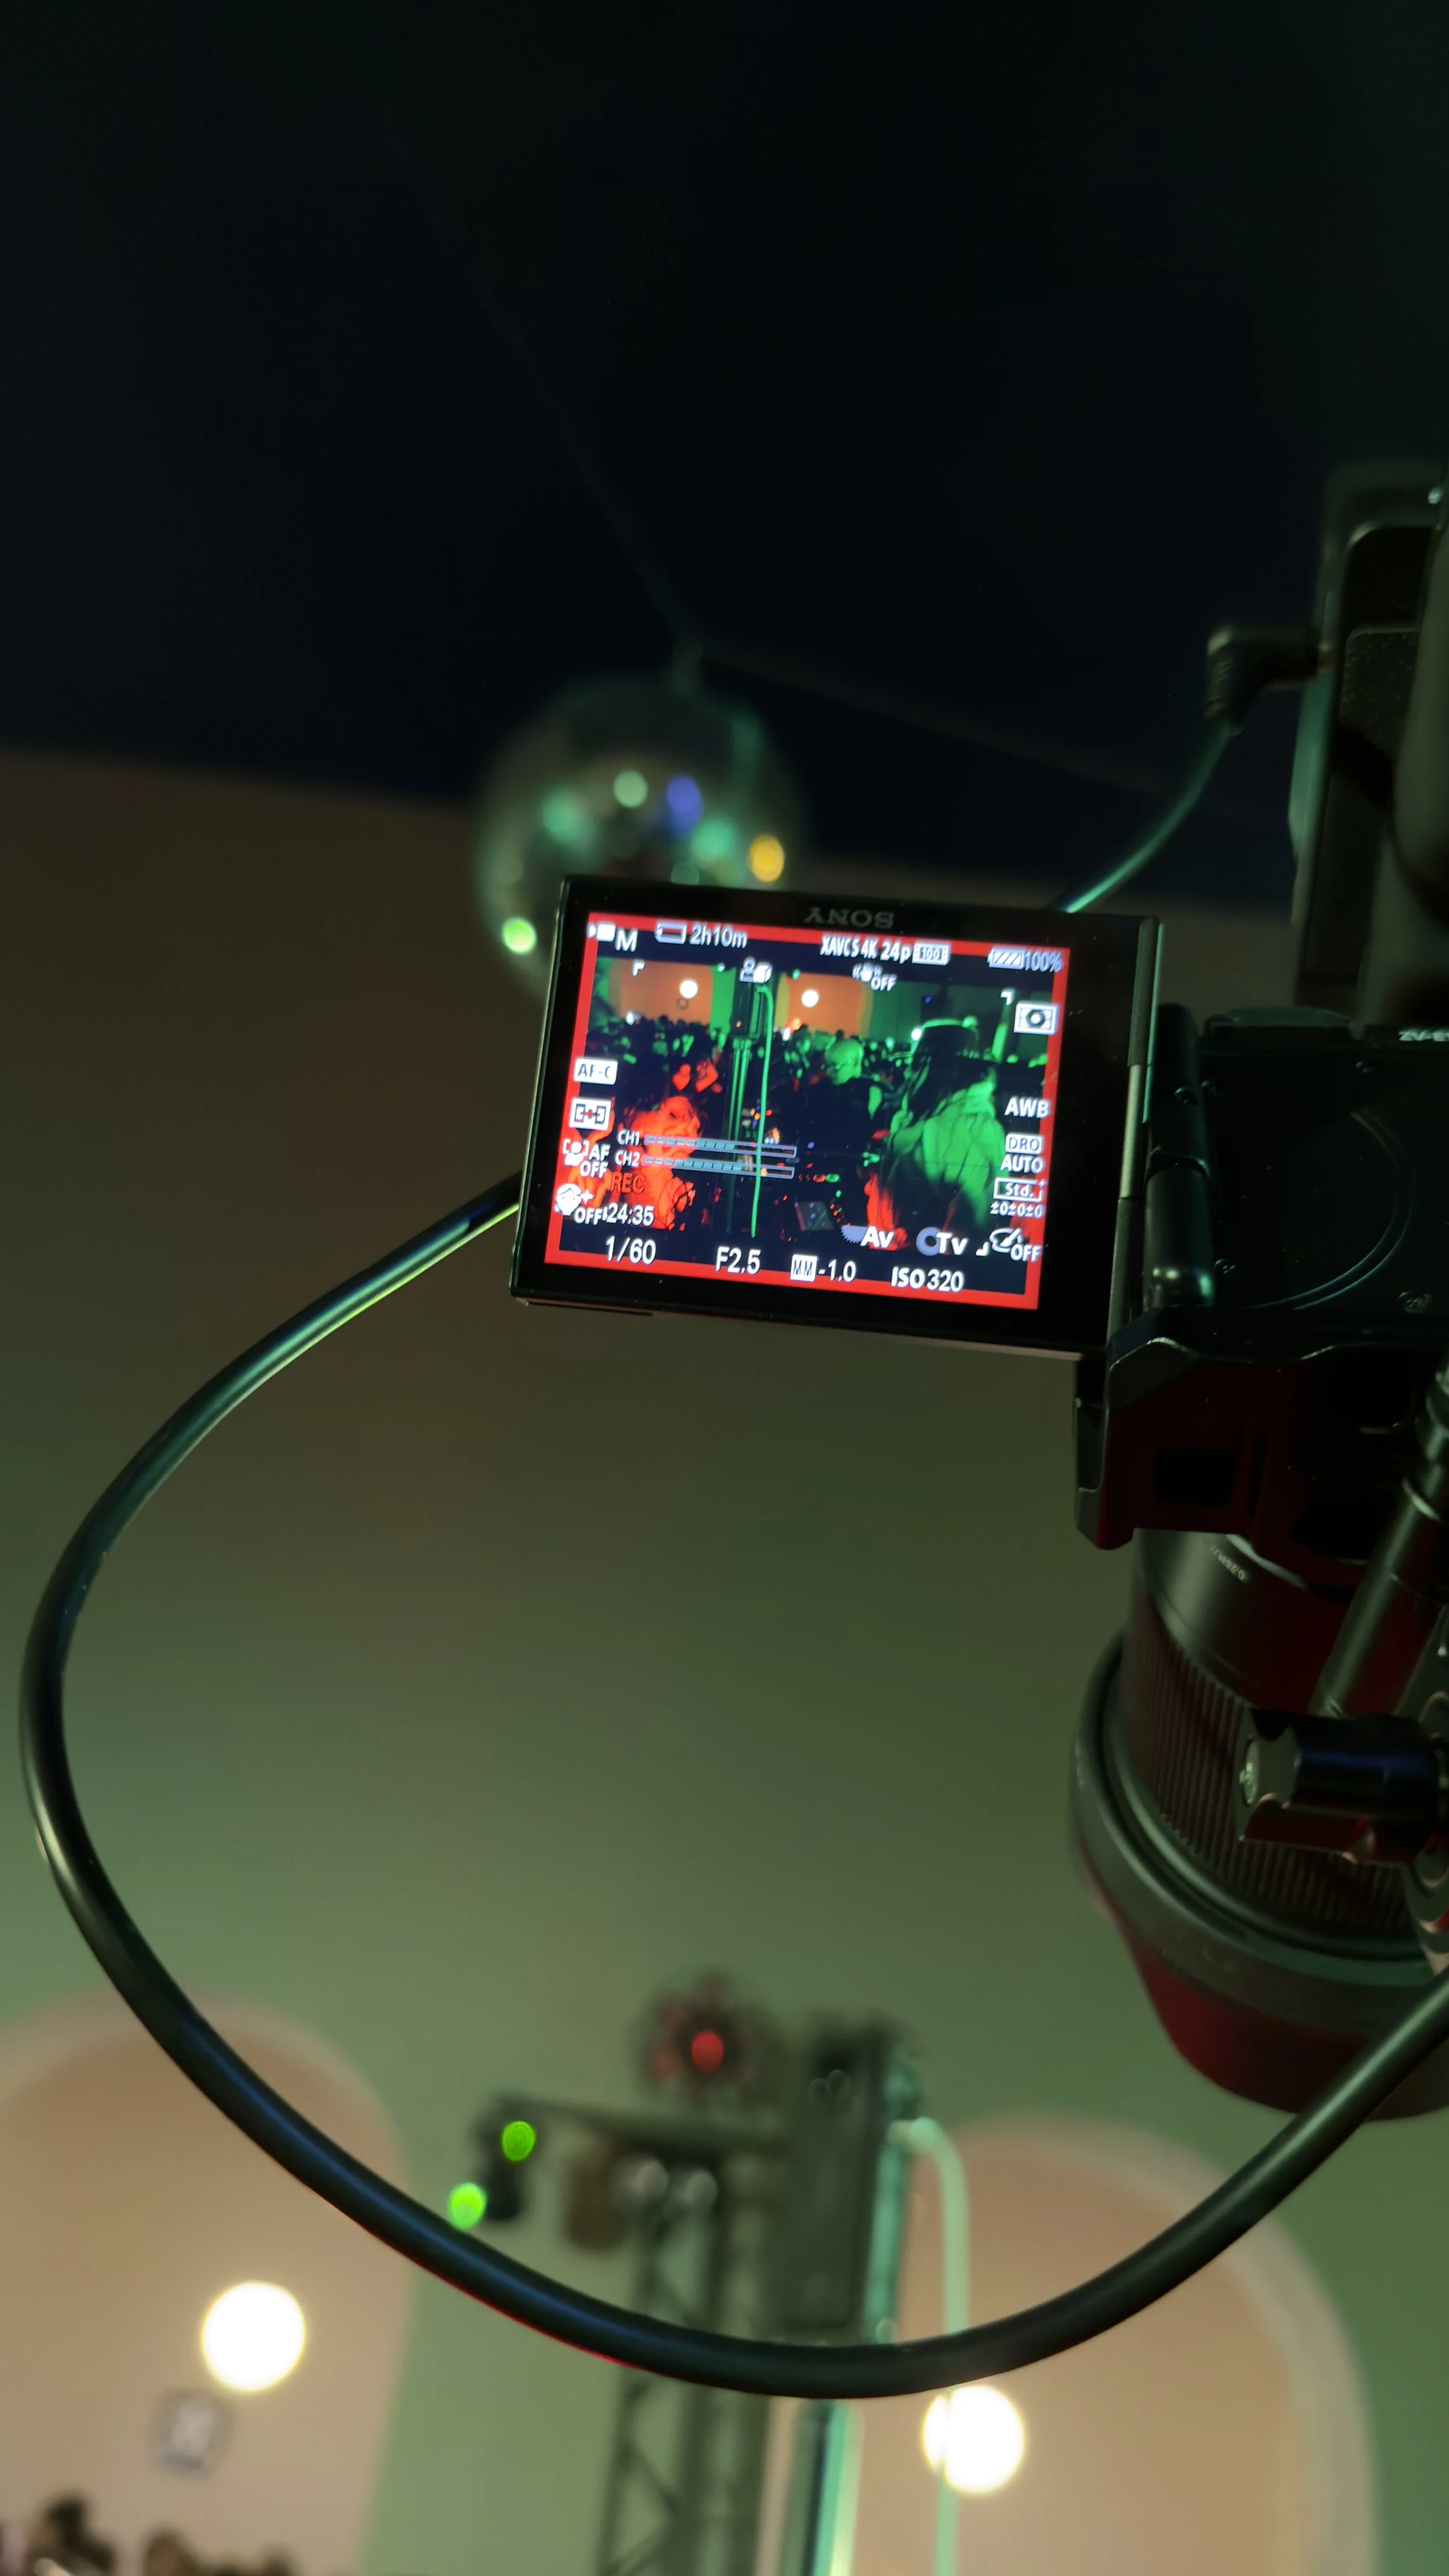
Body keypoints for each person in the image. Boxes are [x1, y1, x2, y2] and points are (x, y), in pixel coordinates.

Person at [865, 1029, 1006, 1243]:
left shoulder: (967, 1127)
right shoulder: (920, 1118)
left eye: (917, 1064)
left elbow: (963, 1230)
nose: (909, 1074)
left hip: (918, 1265)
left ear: (942, 1068)